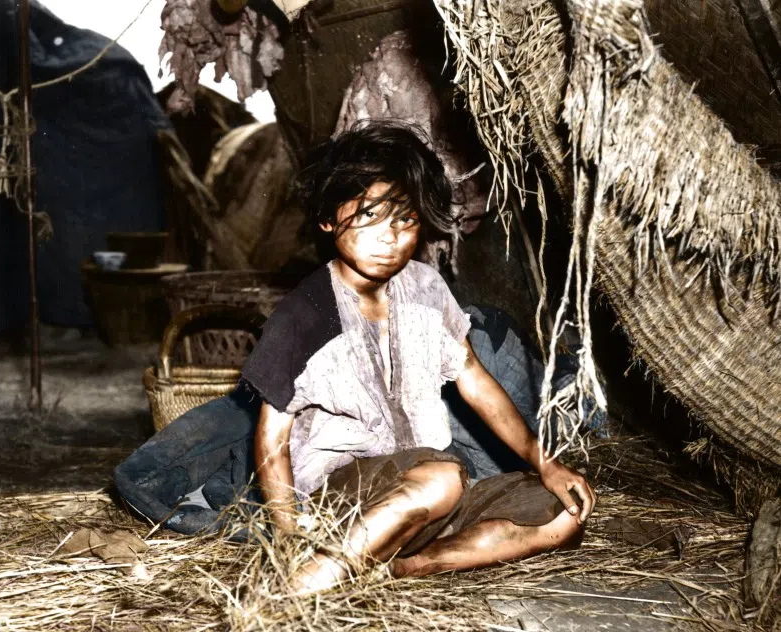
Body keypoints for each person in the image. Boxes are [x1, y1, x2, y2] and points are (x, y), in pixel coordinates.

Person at [240, 121, 596, 594]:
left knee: (564, 517)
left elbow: (474, 378)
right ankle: (314, 574)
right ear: (327, 219)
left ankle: (405, 567)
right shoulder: (303, 315)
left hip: (431, 492)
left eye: (405, 219)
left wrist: (545, 462)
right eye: (368, 216)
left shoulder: (427, 289)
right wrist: (288, 537)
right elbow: (271, 437)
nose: (390, 236)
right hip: (343, 499)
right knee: (442, 479)